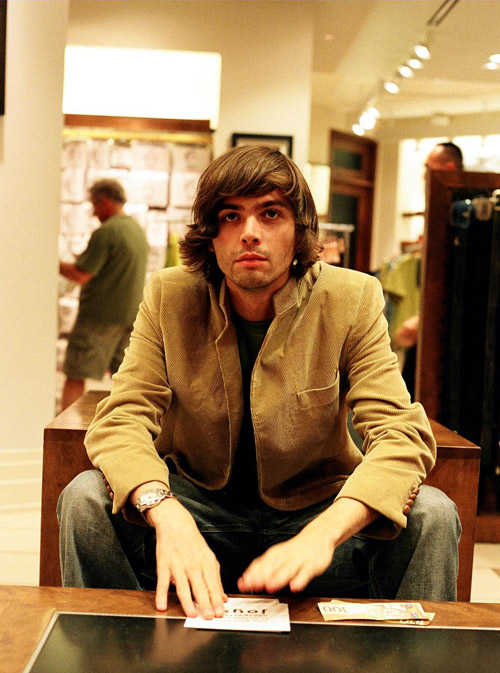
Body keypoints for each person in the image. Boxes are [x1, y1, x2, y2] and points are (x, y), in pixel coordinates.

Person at [57, 146, 461, 620]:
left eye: (270, 214)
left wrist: (324, 532)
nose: (250, 233)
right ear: (211, 236)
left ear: (299, 233)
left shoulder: (351, 297)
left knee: (433, 513)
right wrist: (166, 513)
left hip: (316, 512)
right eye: (231, 216)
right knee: (83, 499)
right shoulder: (170, 294)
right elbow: (122, 418)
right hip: (198, 507)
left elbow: (401, 434)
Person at [59, 178, 149, 410]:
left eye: (94, 205)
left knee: (76, 373)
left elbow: (82, 274)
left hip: (98, 316)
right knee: (125, 378)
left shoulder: (107, 232)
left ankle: (66, 433)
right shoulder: (136, 230)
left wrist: (51, 262)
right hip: (129, 315)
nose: (93, 212)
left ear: (105, 201)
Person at [394, 142, 464, 396]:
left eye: (428, 168)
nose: (424, 175)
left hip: (448, 336)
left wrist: (425, 319)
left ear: (447, 168)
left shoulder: (456, 215)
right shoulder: (437, 210)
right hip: (431, 331)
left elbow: (460, 280)